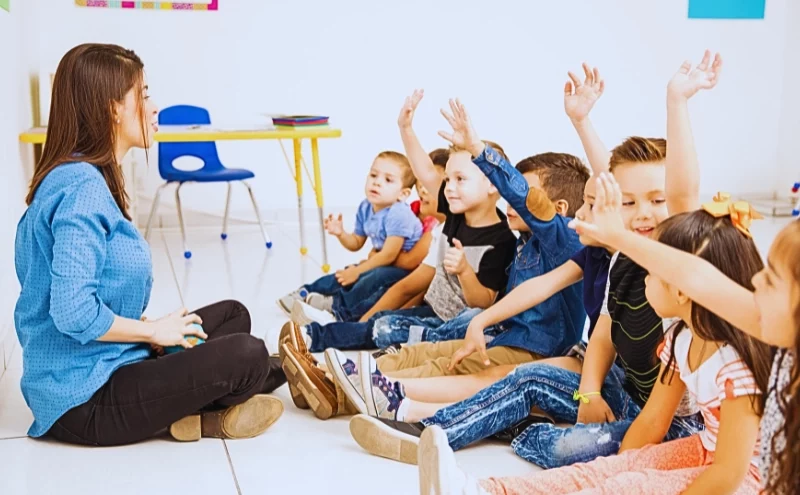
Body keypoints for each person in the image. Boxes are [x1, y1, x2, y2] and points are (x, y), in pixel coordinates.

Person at [420, 178, 772, 495]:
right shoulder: (681, 339)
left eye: (652, 273)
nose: (644, 277)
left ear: (682, 291)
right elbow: (651, 421)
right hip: (699, 446)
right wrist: (619, 467)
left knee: (629, 484)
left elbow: (728, 475)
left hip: (744, 479)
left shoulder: (735, 369)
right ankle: (485, 490)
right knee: (610, 471)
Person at [13, 43, 285, 446]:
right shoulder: (82, 192)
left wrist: (151, 332)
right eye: (142, 95)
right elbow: (72, 311)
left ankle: (247, 384)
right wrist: (152, 331)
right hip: (83, 400)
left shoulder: (82, 177)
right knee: (248, 355)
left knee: (233, 316)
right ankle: (228, 402)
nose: (154, 107)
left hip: (108, 362)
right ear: (112, 109)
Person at [277, 150, 423, 323]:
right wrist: (341, 233)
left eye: (388, 180)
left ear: (403, 194)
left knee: (371, 277)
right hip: (382, 262)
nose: (377, 183)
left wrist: (358, 271)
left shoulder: (399, 213)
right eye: (374, 175)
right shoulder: (366, 206)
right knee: (346, 272)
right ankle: (305, 293)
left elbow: (389, 255)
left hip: (405, 270)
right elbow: (356, 243)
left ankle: (335, 307)